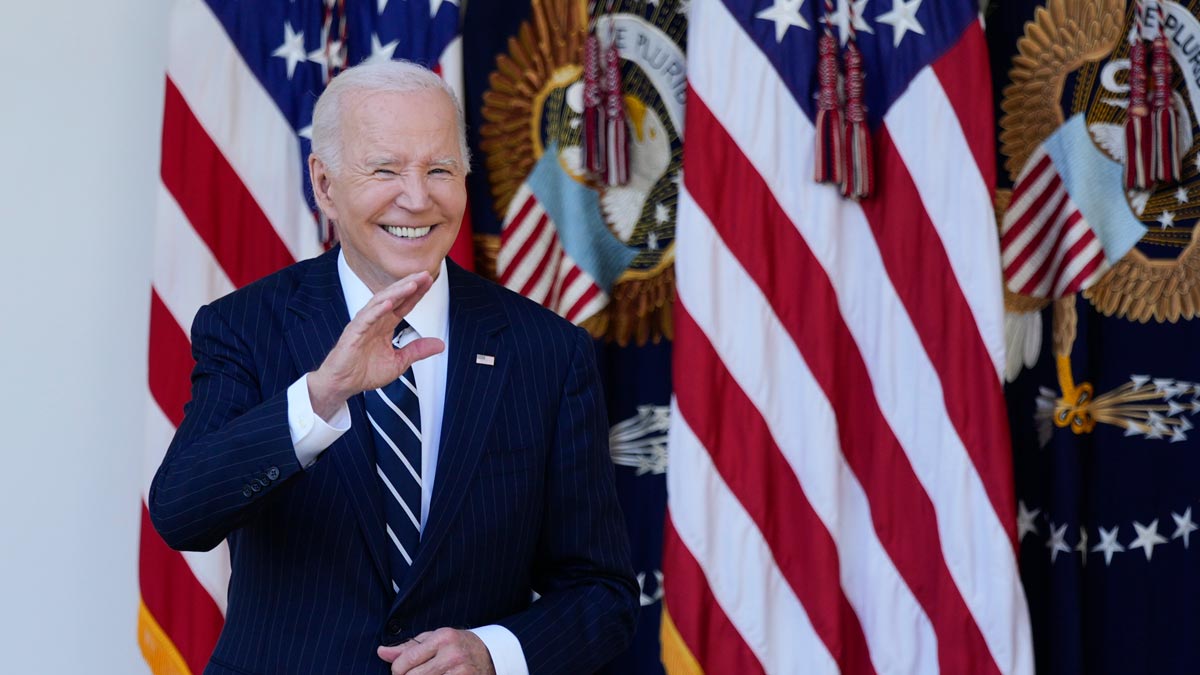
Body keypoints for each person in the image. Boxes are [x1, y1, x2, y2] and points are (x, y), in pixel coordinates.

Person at [149, 60, 638, 675]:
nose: (416, 197)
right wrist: (322, 397)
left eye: (439, 170)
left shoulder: (548, 351)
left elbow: (602, 593)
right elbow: (181, 513)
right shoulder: (247, 327)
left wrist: (495, 653)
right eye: (384, 169)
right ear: (324, 184)